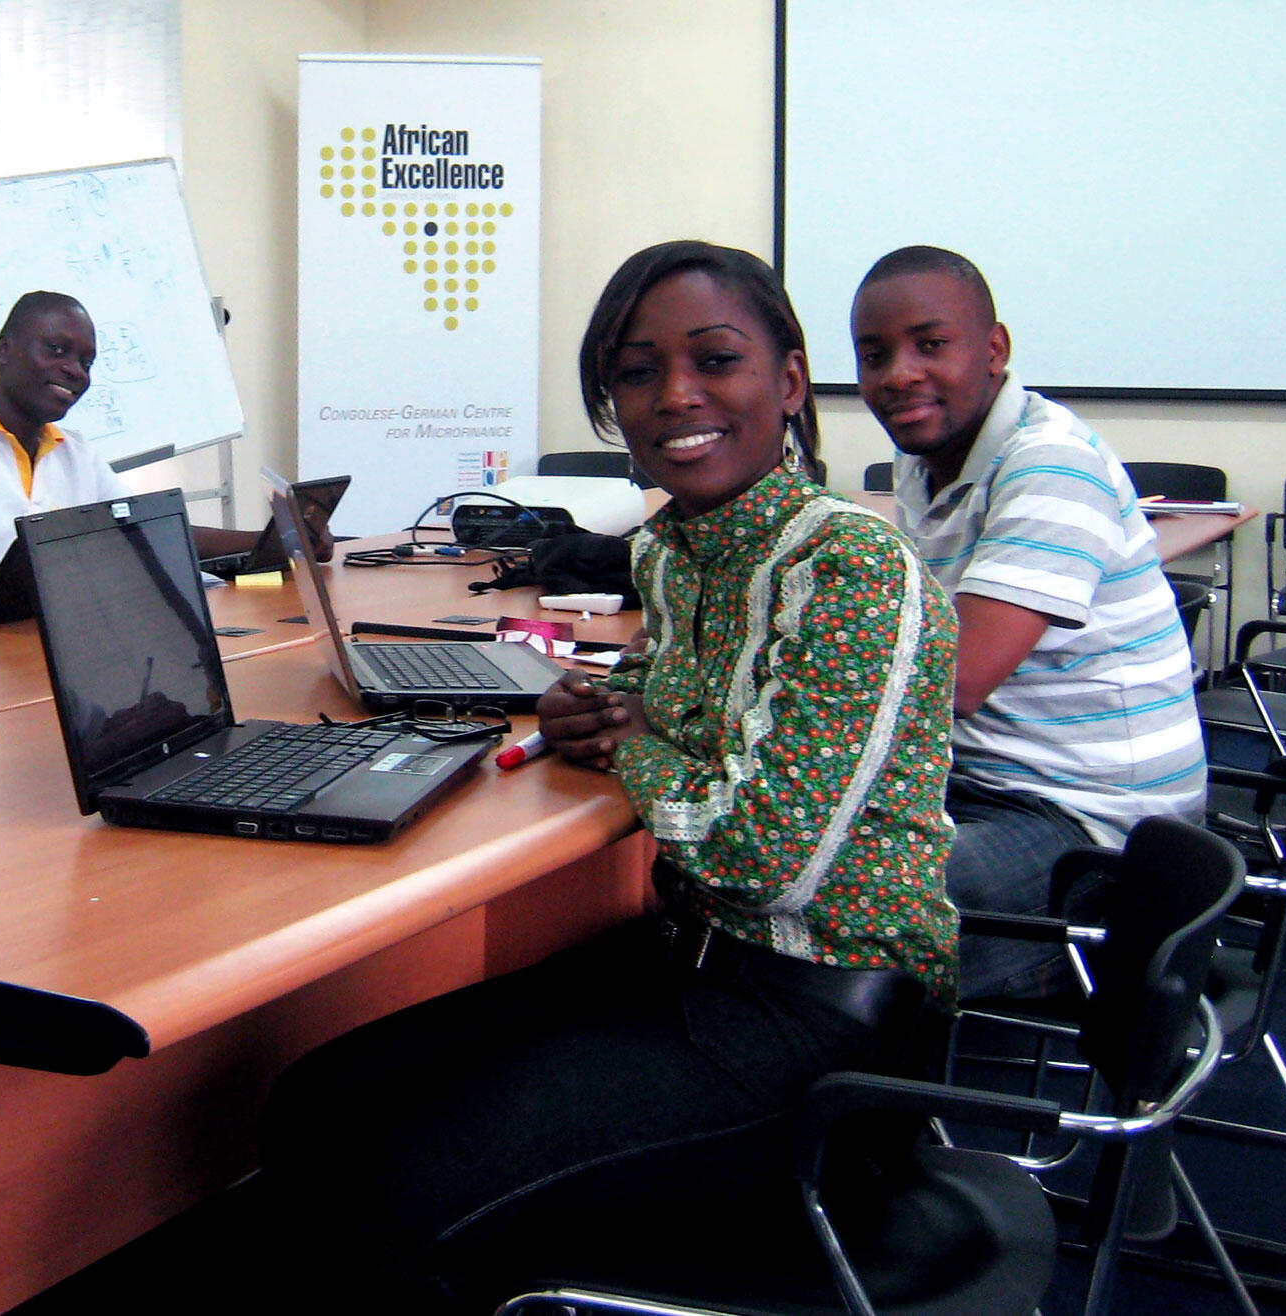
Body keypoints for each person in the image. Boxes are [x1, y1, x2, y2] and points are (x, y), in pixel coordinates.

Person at [260, 242, 958, 1311]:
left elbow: (760, 851)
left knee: (399, 1195)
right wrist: (610, 705)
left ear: (788, 379)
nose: (675, 395)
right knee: (319, 1098)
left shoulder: (852, 566)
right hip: (686, 958)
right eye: (636, 373)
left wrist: (629, 739)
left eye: (715, 359)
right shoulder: (678, 549)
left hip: (818, 1021)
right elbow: (678, 708)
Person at [852, 246, 1205, 997]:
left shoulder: (1048, 463)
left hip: (1097, 836)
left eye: (930, 345)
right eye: (874, 354)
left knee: (837, 889)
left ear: (994, 350)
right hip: (981, 782)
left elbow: (955, 676)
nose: (898, 374)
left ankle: (852, 1094)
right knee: (773, 837)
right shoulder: (928, 462)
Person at [0, 290, 255, 602]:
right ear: (4, 349)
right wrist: (80, 577)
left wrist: (272, 541)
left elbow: (152, 532)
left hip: (61, 638)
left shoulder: (75, 452)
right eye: (57, 350)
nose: (76, 370)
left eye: (86, 361)